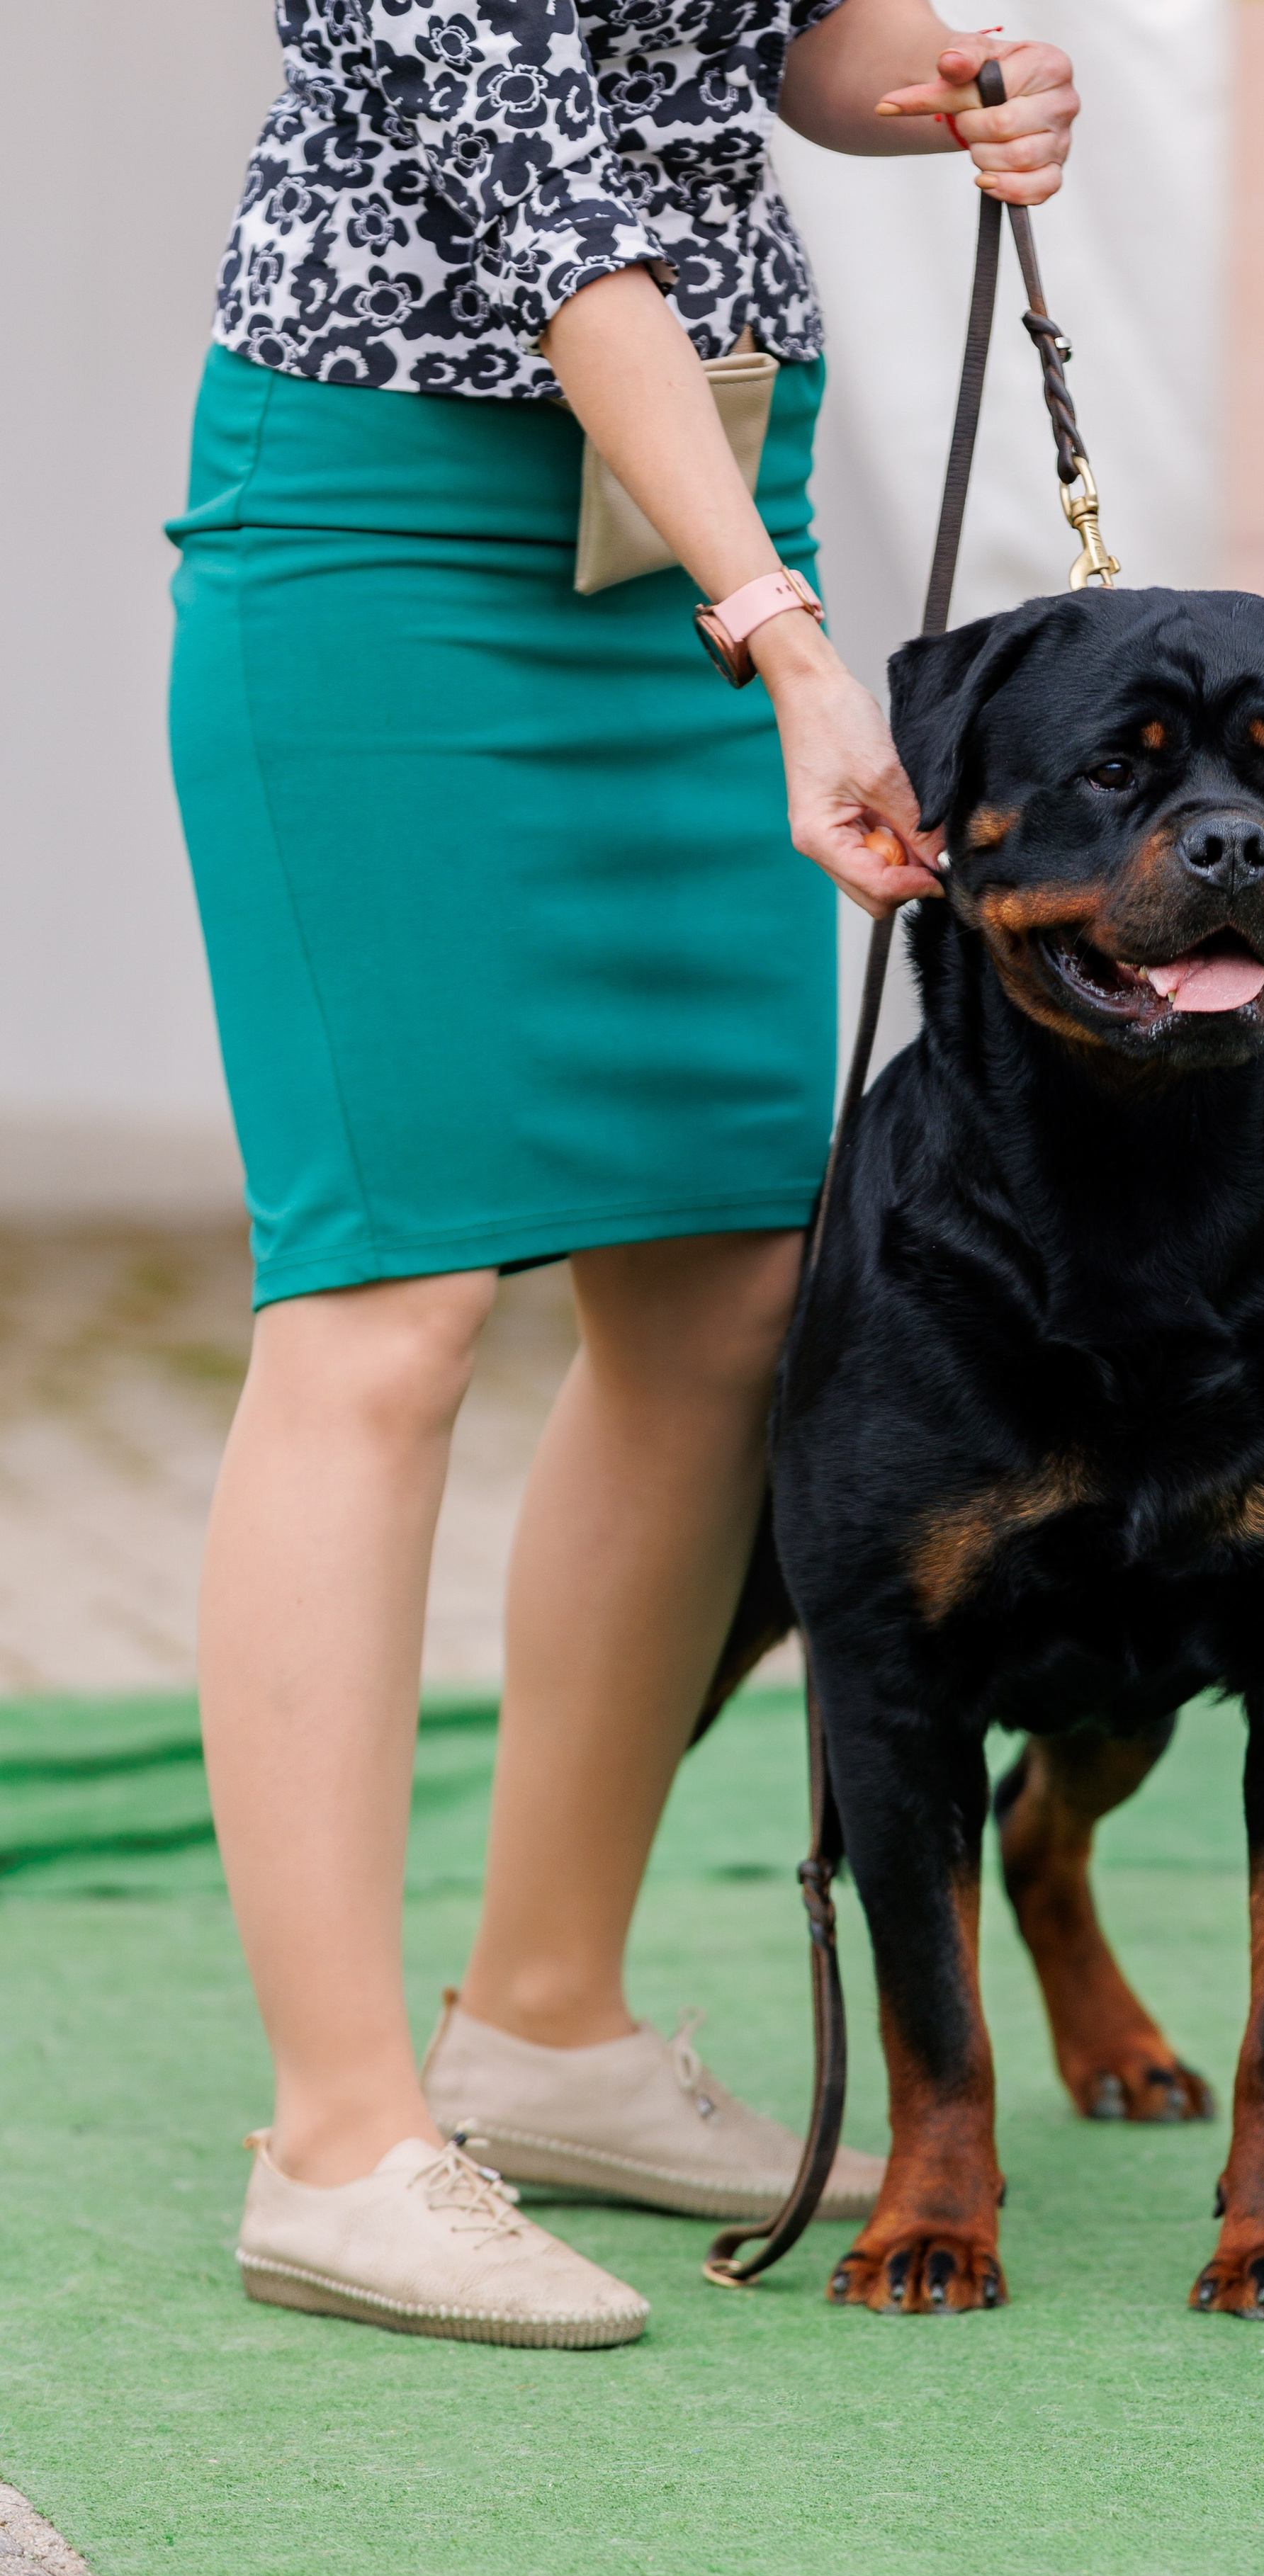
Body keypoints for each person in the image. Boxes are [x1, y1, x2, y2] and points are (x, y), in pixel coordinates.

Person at [167, 0, 1078, 2346]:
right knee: (386, 1305)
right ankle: (341, 2139)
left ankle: (544, 2026)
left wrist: (927, 78)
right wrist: (784, 637)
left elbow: (761, 38)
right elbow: (555, 208)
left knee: (730, 1296)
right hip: (392, 527)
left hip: (694, 511)